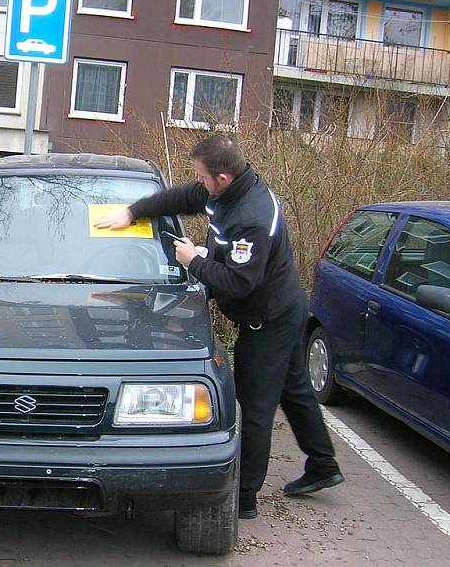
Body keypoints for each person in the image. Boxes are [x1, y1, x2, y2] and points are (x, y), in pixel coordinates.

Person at [94, 134, 343, 519]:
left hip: (270, 320)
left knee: (256, 408)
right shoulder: (224, 191)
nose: (199, 182)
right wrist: (135, 210)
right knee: (294, 387)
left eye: (202, 175)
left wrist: (194, 260)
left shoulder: (253, 218)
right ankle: (324, 465)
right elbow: (181, 198)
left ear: (223, 177)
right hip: (280, 308)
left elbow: (241, 283)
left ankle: (244, 498)